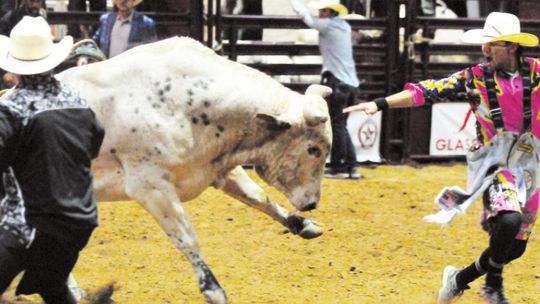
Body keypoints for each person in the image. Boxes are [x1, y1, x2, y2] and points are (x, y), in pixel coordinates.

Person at [344, 12, 539, 304]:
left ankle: (459, 279)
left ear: (512, 46)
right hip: (495, 164)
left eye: (493, 44)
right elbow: (428, 91)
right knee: (509, 222)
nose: (485, 50)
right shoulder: (474, 78)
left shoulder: (537, 73)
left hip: (531, 166)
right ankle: (493, 284)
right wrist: (380, 103)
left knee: (515, 249)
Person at [0, 16, 104, 303]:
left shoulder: (12, 108)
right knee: (52, 285)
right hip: (80, 223)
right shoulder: (79, 101)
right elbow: (93, 145)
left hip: (32, 227)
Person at [290, 0, 361, 180]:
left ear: (329, 12)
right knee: (342, 126)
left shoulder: (328, 25)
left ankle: (339, 167)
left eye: (322, 10)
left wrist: (295, 3)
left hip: (338, 83)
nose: (320, 13)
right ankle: (352, 166)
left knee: (337, 126)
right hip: (351, 83)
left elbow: (307, 19)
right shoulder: (344, 26)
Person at [92, 0, 157, 58]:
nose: (123, 1)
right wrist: (84, 57)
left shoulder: (145, 23)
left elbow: (152, 51)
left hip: (131, 69)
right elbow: (93, 42)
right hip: (107, 69)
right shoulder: (106, 20)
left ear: (133, 1)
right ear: (116, 1)